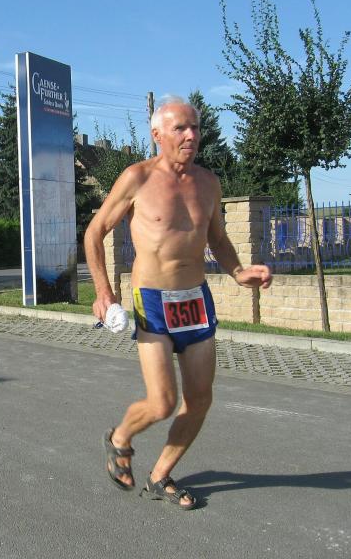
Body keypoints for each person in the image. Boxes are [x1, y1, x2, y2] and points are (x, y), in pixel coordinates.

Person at [85, 97, 272, 510]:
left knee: (201, 398)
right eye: (180, 128)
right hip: (152, 299)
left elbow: (217, 238)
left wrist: (239, 272)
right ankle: (120, 438)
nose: (191, 136)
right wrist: (103, 292)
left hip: (195, 299)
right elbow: (94, 232)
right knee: (162, 402)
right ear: (157, 135)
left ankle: (160, 476)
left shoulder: (209, 182)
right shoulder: (137, 177)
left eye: (195, 128)